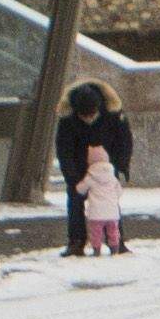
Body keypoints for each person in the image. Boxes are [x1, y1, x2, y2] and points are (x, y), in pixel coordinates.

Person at [54, 82, 135, 259]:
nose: (89, 119)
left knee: (110, 202)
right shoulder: (68, 119)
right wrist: (71, 176)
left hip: (107, 165)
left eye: (92, 115)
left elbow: (124, 140)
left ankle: (117, 241)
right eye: (84, 115)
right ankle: (76, 241)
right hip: (78, 166)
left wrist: (121, 164)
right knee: (75, 200)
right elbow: (64, 149)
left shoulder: (113, 113)